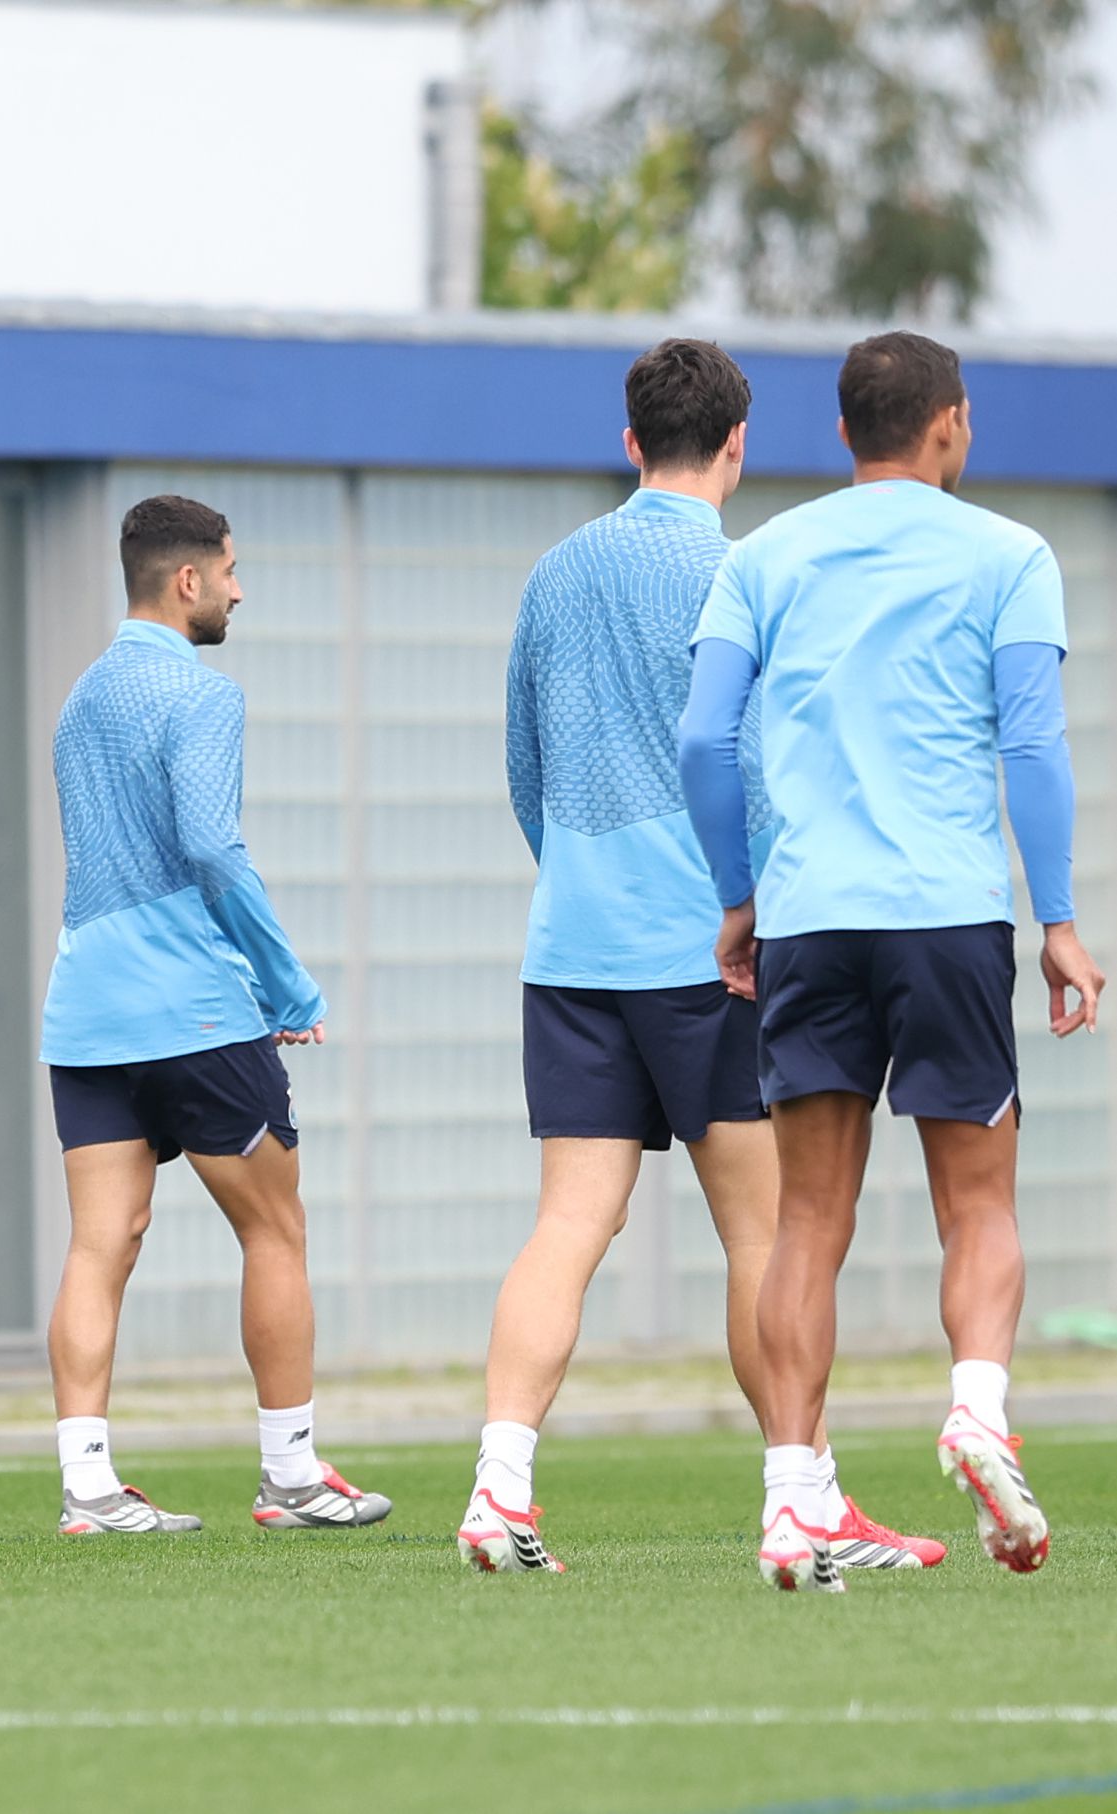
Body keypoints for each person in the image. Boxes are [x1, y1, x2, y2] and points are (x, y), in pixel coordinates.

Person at [467, 340, 937, 1576]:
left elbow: (524, 763)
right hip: (708, 952)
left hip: (571, 945)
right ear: (739, 444)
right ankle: (810, 1501)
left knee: (567, 1223)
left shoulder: (555, 573)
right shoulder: (744, 574)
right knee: (766, 1232)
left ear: (630, 441)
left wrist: (577, 872)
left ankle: (498, 1489)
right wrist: (761, 907)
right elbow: (759, 765)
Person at [680, 331, 1104, 1591]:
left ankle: (792, 1494)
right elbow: (1033, 751)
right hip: (946, 914)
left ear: (844, 431)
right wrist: (1063, 919)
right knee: (978, 1202)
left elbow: (706, 739)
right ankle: (977, 1408)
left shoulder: (764, 555)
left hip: (810, 913)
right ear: (951, 425)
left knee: (807, 1217)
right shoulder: (1009, 556)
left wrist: (739, 892)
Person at [39, 495, 386, 1536]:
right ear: (187, 581)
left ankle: (87, 1486)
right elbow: (212, 846)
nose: (240, 588)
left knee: (100, 1245)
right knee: (275, 1228)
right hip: (191, 1009)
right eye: (231, 570)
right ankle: (290, 1474)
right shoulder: (204, 696)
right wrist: (288, 984)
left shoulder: (79, 700)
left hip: (87, 1014)